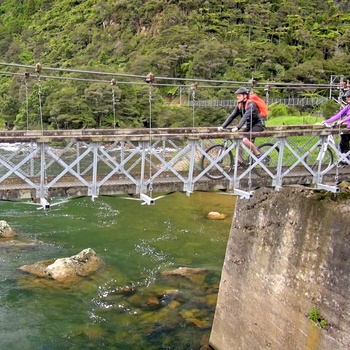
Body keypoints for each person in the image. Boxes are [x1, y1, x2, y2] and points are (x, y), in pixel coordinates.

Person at [218, 87, 265, 161]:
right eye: (237, 96)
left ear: (245, 96)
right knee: (239, 141)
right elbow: (232, 116)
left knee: (245, 140)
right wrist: (223, 126)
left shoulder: (251, 104)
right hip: (249, 126)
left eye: (239, 95)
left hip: (258, 125)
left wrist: (238, 127)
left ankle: (258, 155)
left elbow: (246, 116)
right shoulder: (240, 105)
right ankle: (240, 161)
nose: (237, 97)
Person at [322, 90, 350, 165]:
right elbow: (338, 115)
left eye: (349, 97)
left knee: (345, 143)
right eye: (347, 97)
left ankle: (345, 159)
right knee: (343, 143)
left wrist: (343, 121)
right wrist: (327, 121)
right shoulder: (347, 107)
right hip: (348, 129)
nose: (347, 98)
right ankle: (345, 159)